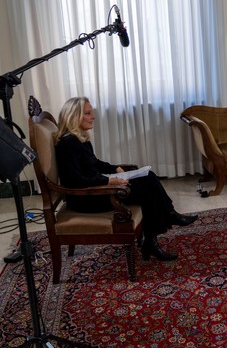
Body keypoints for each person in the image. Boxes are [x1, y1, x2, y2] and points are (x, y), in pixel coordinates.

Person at [54, 97, 197, 262]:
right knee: (148, 185)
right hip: (85, 199)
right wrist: (108, 182)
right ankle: (164, 223)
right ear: (73, 116)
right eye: (88, 113)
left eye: (91, 112)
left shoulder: (78, 138)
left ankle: (160, 228)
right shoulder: (68, 143)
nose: (93, 116)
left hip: (93, 191)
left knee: (148, 178)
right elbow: (75, 181)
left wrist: (114, 168)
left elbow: (94, 163)